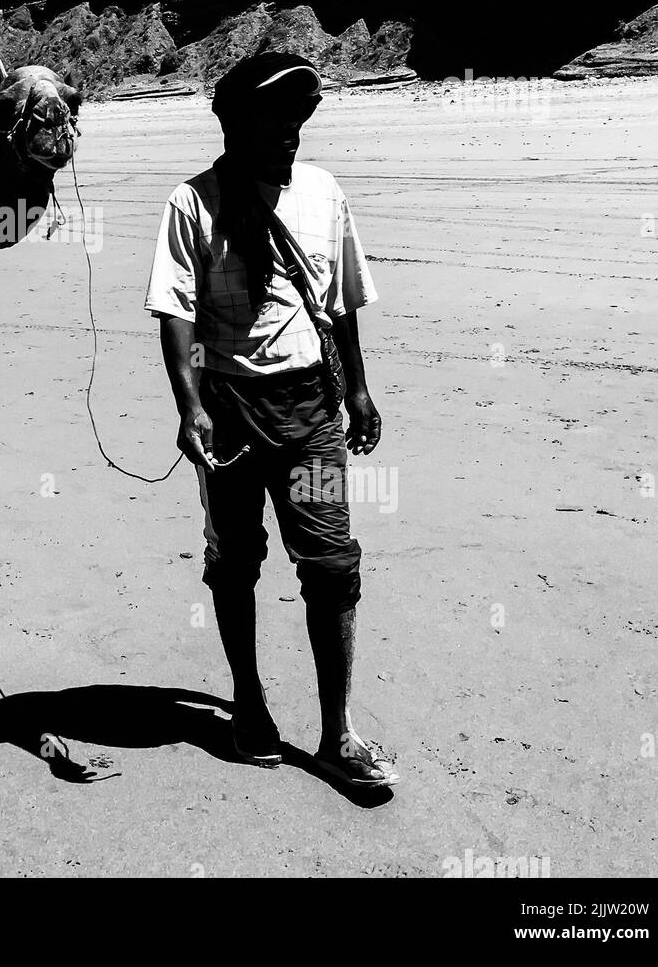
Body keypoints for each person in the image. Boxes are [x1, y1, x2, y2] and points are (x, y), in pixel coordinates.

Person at [145, 51, 397, 789]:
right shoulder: (193, 204)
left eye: (298, 114)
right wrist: (189, 406)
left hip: (313, 412)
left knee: (330, 564)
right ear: (234, 122)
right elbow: (175, 310)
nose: (290, 128)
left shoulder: (324, 193)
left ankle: (336, 734)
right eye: (273, 114)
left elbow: (342, 298)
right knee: (235, 562)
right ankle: (248, 702)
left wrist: (357, 390)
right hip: (229, 415)